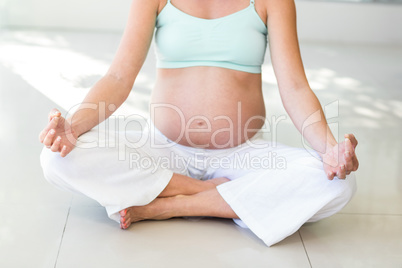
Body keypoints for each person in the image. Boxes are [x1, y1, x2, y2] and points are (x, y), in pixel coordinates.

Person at [39, 0, 359, 247]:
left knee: (338, 184)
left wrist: (330, 149)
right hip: (163, 149)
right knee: (55, 160)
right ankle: (208, 193)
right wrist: (74, 126)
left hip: (239, 156)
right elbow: (118, 77)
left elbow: (296, 88)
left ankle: (168, 206)